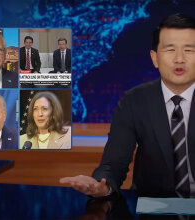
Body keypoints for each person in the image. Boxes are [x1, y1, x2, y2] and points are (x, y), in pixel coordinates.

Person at [60, 13, 195, 198]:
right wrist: (102, 186)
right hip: (153, 208)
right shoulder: (134, 100)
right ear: (154, 58)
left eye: (189, 50)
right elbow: (113, 164)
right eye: (170, 50)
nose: (180, 59)